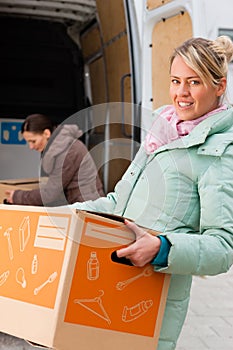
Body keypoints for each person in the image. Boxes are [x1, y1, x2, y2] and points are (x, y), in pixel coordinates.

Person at [65, 36, 233, 349]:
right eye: (175, 81)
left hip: (153, 306)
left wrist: (162, 247)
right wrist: (64, 215)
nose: (181, 93)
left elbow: (222, 248)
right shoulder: (162, 134)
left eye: (193, 82)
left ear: (219, 86)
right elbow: (119, 202)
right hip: (114, 286)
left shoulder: (219, 151)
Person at [5, 114, 105, 206]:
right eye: (28, 142)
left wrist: (18, 196)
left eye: (33, 141)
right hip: (81, 203)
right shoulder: (61, 147)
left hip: (88, 206)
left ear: (46, 133)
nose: (31, 146)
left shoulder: (67, 152)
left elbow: (50, 193)